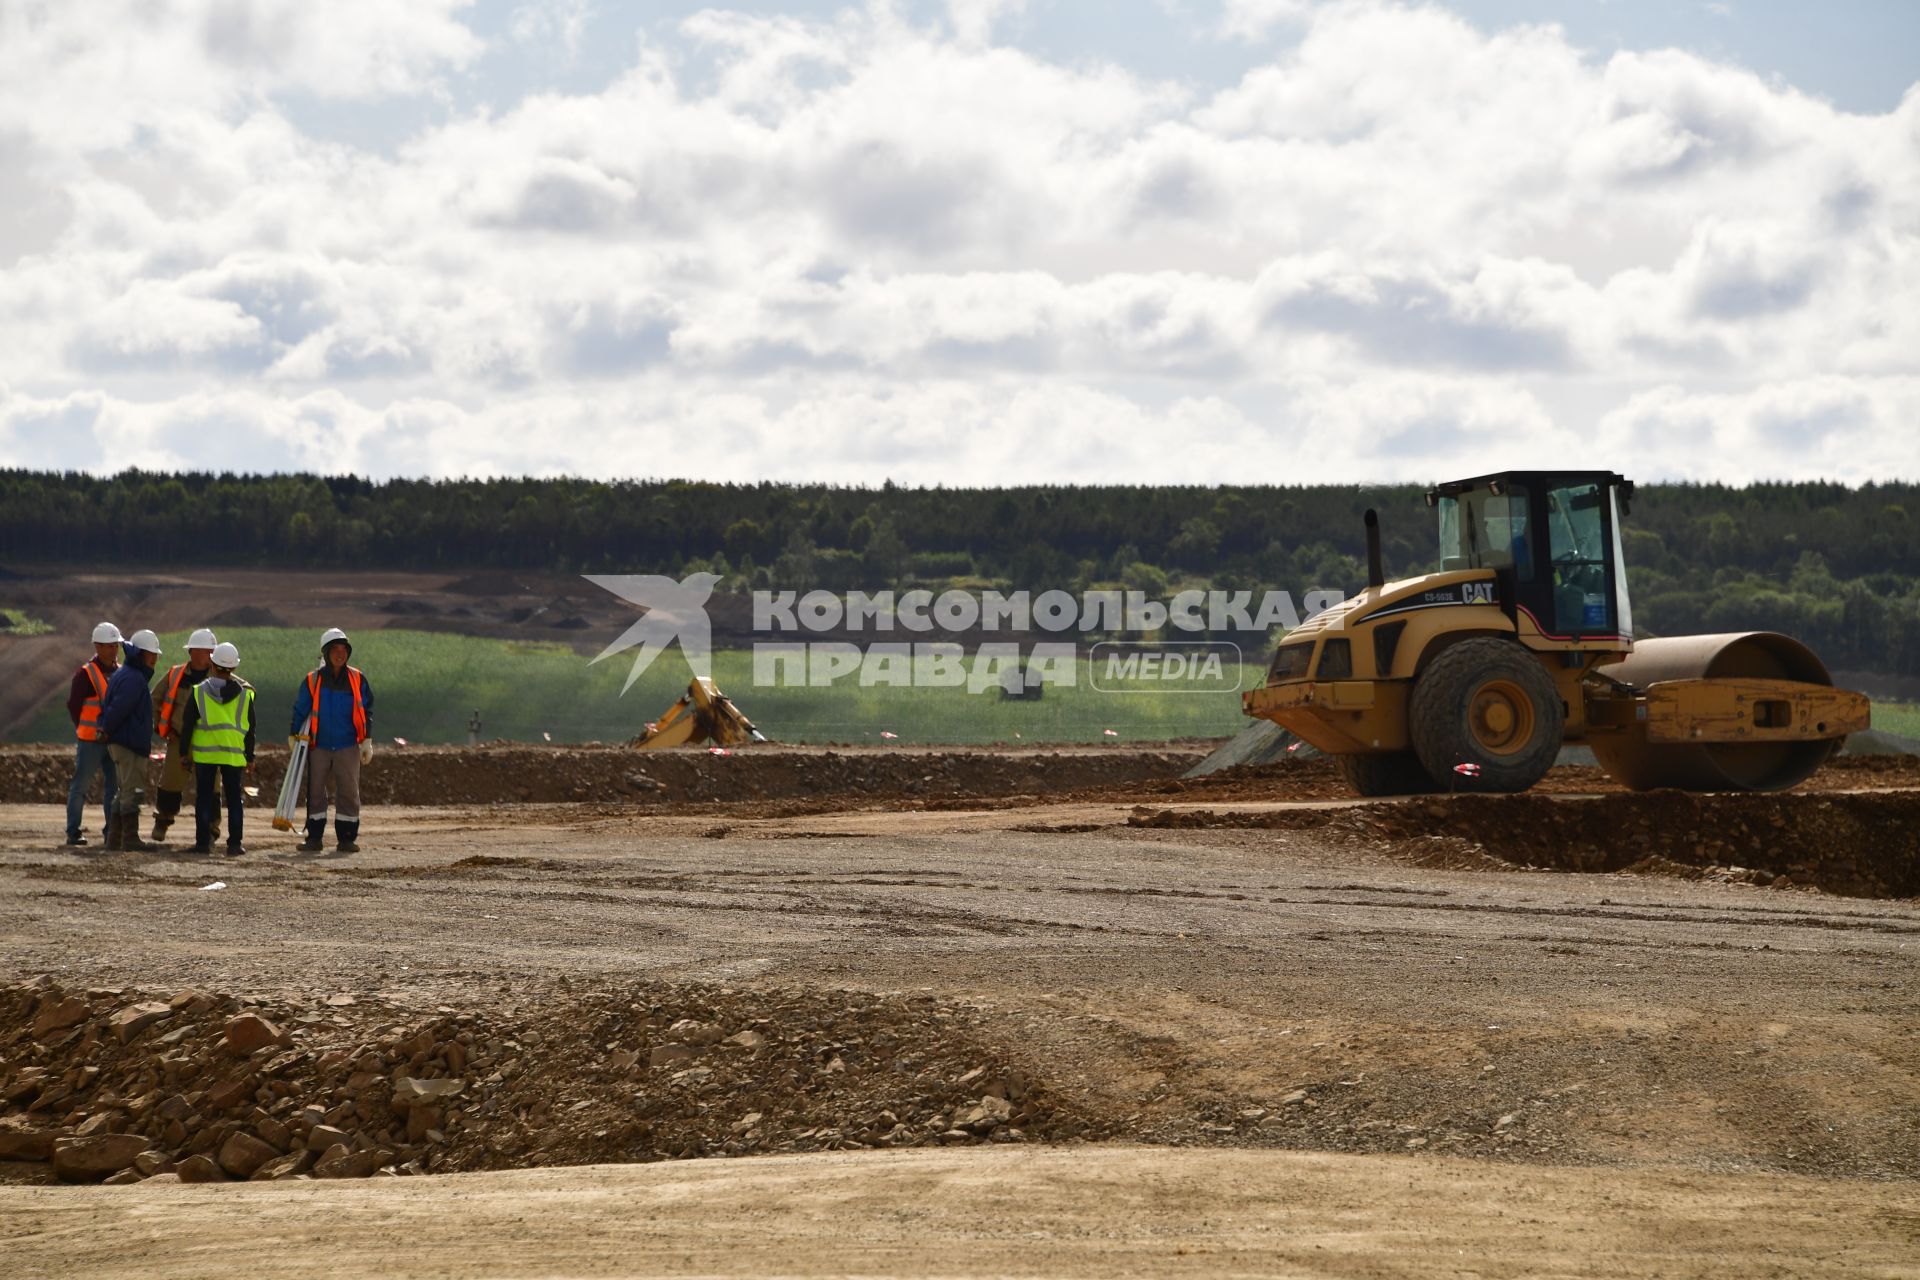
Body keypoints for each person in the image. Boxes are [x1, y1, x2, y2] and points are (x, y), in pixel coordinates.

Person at [289, 627, 374, 853]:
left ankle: (347, 838)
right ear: (326, 653)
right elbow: (301, 709)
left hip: (348, 745)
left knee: (348, 792)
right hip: (319, 745)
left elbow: (367, 710)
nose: (340, 653)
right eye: (335, 649)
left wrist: (367, 740)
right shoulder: (313, 680)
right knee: (315, 792)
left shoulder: (357, 679)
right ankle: (314, 838)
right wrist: (293, 733)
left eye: (343, 649)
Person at [179, 642, 254, 857]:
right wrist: (250, 757)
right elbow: (251, 731)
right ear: (234, 668)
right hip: (233, 754)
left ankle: (203, 843)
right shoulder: (245, 696)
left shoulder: (198, 693)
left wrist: (184, 753)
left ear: (212, 664)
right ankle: (234, 844)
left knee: (204, 797)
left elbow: (187, 725)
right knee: (234, 800)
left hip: (206, 753)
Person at [96, 629, 163, 852]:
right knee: (132, 790)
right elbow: (119, 709)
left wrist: (106, 730)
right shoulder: (134, 679)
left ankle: (115, 840)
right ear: (141, 654)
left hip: (122, 741)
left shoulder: (126, 674)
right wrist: (106, 729)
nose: (155, 660)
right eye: (152, 655)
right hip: (128, 743)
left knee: (123, 790)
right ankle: (129, 839)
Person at [151, 627, 218, 843]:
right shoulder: (176, 674)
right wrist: (161, 727)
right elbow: (154, 699)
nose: (211, 655)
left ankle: (211, 829)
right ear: (194, 652)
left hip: (209, 742)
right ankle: (162, 821)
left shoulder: (220, 676)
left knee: (212, 790)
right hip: (179, 739)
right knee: (170, 785)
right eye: (208, 651)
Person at [64, 621, 122, 847]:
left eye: (115, 645)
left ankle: (111, 832)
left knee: (113, 789)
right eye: (109, 645)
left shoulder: (120, 672)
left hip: (113, 740)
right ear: (97, 646)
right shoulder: (85, 674)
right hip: (90, 740)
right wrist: (83, 728)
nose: (113, 649)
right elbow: (74, 705)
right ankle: (73, 832)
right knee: (81, 786)